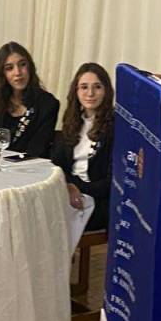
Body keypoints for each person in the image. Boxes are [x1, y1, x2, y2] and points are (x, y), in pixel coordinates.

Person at [51, 63, 113, 232]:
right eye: (84, 87)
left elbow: (110, 183)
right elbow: (56, 165)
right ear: (76, 91)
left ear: (106, 91)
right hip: (67, 191)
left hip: (97, 201)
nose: (90, 93)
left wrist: (76, 187)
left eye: (97, 87)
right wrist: (68, 187)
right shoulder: (71, 121)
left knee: (49, 218)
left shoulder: (116, 127)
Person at [0, 42, 59, 159]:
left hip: (29, 166)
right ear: (2, 74)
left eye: (22, 65)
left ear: (30, 67)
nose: (18, 73)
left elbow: (37, 151)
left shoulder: (47, 104)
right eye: (9, 68)